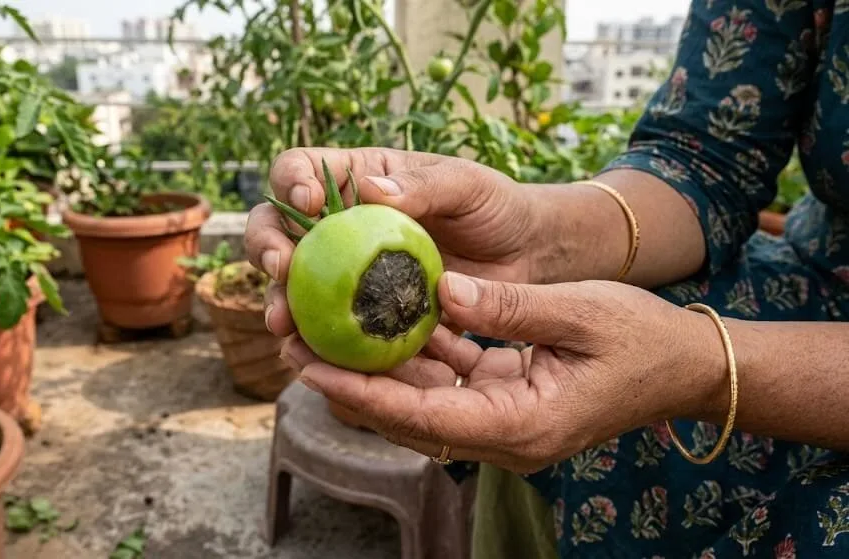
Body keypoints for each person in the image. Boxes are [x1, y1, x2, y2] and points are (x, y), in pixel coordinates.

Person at [244, 0, 849, 556]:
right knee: (516, 351)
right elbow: (705, 158)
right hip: (819, 275)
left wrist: (708, 367)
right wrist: (540, 236)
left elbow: (692, 359)